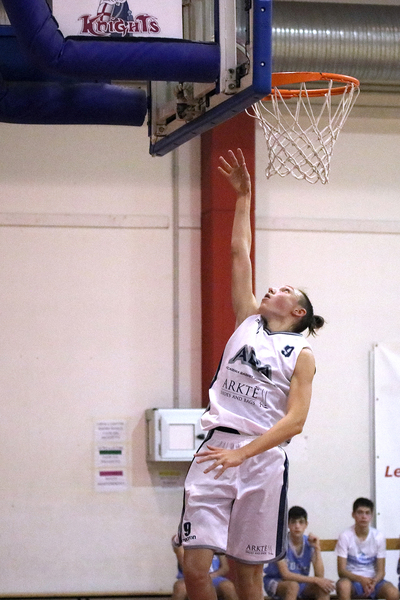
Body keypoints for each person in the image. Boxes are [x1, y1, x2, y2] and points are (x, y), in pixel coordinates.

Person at [173, 148, 325, 600]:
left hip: (261, 460)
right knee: (194, 568)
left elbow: (295, 422)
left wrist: (246, 454)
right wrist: (243, 197)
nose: (271, 288)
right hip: (217, 447)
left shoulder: (302, 354)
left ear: (297, 312)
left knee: (248, 577)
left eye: (283, 290)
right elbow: (239, 251)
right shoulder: (247, 320)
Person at [263, 506, 335, 600]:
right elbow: (285, 574)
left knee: (323, 588)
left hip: (299, 583)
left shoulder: (309, 543)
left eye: (301, 522)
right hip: (276, 581)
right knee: (293, 586)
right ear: (288, 524)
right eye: (293, 522)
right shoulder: (280, 543)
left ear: (306, 525)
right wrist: (316, 580)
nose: (297, 526)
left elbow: (320, 575)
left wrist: (317, 548)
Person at [336, 498, 399, 600]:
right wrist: (361, 579)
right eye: (360, 512)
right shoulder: (345, 536)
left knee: (393, 593)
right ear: (353, 515)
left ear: (371, 515)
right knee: (343, 586)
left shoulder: (378, 536)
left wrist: (374, 582)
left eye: (367, 513)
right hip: (352, 580)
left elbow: (381, 572)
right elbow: (341, 571)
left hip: (373, 581)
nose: (364, 517)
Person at [172, 541, 238, 600]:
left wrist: (211, 576)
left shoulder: (217, 541)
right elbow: (185, 566)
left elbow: (225, 568)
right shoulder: (182, 540)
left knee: (229, 587)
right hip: (190, 578)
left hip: (214, 578)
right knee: (180, 588)